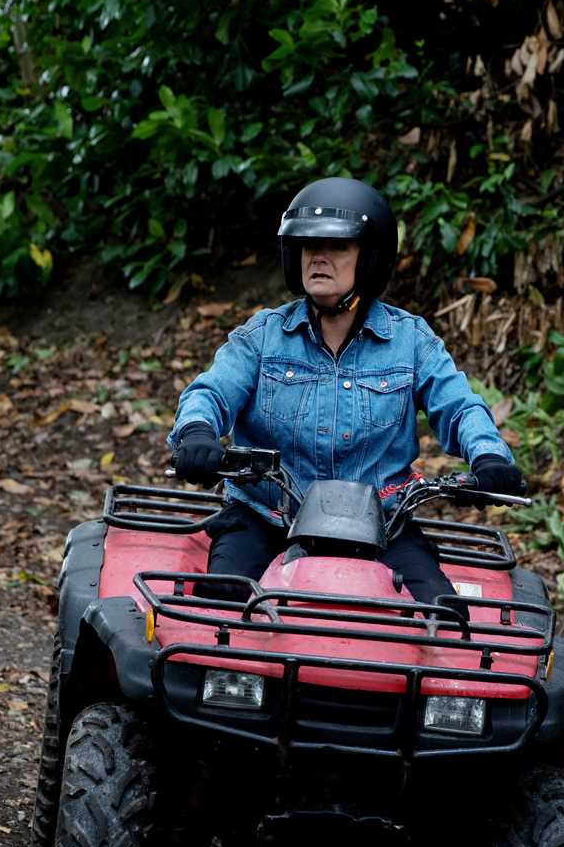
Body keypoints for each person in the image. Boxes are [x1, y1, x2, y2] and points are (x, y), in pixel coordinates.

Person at [168, 176, 524, 604]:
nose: (318, 257)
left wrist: (488, 456)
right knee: (218, 611)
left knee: (444, 622)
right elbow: (211, 392)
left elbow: (461, 407)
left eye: (337, 247)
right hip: (265, 518)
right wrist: (197, 434)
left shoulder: (410, 341)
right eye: (307, 246)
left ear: (370, 257)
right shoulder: (262, 336)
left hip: (382, 525)